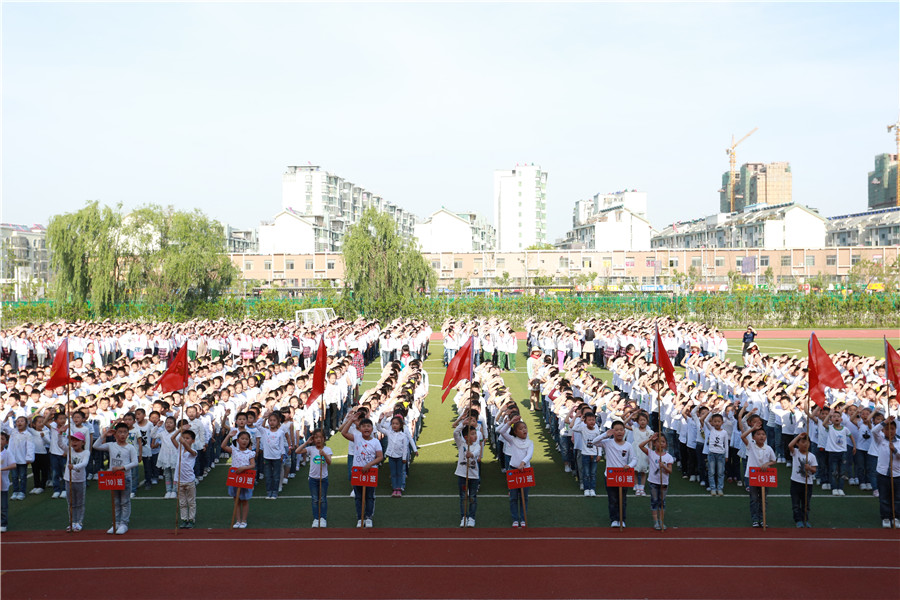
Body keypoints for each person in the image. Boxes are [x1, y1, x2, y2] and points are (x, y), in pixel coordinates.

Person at [93, 422, 139, 535]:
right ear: (115, 434)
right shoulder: (111, 445)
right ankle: (116, 522)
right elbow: (95, 446)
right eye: (120, 432)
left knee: (125, 501)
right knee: (116, 501)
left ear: (128, 434)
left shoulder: (130, 447)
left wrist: (122, 467)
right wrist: (104, 435)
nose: (122, 435)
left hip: (125, 477)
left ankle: (124, 523)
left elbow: (135, 462)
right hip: (113, 478)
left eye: (125, 432)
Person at [341, 412, 382, 528]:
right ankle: (360, 517)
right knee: (358, 497)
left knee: (370, 496)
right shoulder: (357, 437)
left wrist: (369, 465)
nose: (366, 428)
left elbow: (380, 456)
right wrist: (351, 420)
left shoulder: (375, 441)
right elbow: (343, 432)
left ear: (372, 428)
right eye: (363, 426)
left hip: (370, 472)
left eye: (368, 426)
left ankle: (368, 517)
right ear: (359, 428)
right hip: (358, 471)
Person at [497, 414, 534, 527]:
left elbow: (529, 454)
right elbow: (502, 432)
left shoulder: (530, 442)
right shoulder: (512, 440)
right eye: (521, 429)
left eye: (525, 428)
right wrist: (510, 422)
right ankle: (515, 519)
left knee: (524, 497)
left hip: (525, 471)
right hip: (513, 470)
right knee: (513, 497)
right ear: (516, 432)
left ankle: (523, 518)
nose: (524, 430)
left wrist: (523, 463)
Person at [599, 420, 637, 528]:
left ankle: (622, 519)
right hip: (610, 475)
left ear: (624, 431)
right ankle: (614, 519)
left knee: (622, 499)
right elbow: (594, 442)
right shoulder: (607, 443)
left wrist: (629, 466)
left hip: (624, 475)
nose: (619, 432)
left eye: (621, 430)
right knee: (612, 499)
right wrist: (605, 434)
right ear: (612, 431)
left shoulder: (628, 445)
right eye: (616, 430)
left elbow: (634, 459)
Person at [742, 422, 776, 528]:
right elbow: (743, 436)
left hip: (764, 476)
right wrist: (752, 428)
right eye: (758, 434)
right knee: (753, 498)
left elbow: (773, 460)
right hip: (752, 476)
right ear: (754, 437)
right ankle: (755, 519)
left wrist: (767, 464)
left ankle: (763, 518)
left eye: (763, 434)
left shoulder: (768, 448)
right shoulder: (751, 446)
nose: (761, 436)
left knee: (763, 499)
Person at [296, 429, 331, 528]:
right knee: (315, 499)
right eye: (316, 437)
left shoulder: (327, 450)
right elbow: (297, 451)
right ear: (313, 439)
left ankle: (323, 518)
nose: (318, 440)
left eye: (320, 437)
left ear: (324, 439)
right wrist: (307, 442)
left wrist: (324, 454)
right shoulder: (311, 449)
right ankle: (316, 518)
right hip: (312, 479)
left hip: (323, 478)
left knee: (323, 499)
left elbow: (329, 462)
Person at [639, 432, 673, 530]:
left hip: (664, 483)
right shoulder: (651, 453)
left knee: (662, 502)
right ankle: (656, 521)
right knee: (654, 501)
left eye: (663, 442)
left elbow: (670, 471)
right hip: (653, 482)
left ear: (666, 444)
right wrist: (650, 439)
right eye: (658, 441)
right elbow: (640, 446)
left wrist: (664, 467)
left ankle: (661, 520)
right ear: (654, 443)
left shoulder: (668, 457)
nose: (660, 443)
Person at [222, 429, 256, 528]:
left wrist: (244, 467)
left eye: (246, 439)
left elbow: (253, 465)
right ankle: (238, 520)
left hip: (245, 478)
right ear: (237, 440)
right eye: (242, 439)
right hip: (235, 478)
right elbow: (223, 446)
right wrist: (229, 436)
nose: (244, 441)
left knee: (245, 500)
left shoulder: (250, 453)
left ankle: (244, 520)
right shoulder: (234, 450)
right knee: (236, 500)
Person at [377, 414, 417, 497]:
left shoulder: (403, 436)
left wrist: (404, 458)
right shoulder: (389, 433)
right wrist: (382, 419)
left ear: (401, 425)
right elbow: (379, 428)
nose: (394, 425)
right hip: (391, 456)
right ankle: (394, 488)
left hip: (399, 458)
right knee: (393, 473)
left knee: (399, 473)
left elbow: (405, 448)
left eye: (397, 424)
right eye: (393, 424)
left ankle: (399, 488)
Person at [871, 416, 900, 528]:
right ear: (883, 430)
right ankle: (886, 517)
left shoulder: (899, 442)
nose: (890, 431)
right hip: (883, 474)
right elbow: (874, 430)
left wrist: (895, 450)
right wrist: (885, 422)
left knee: (897, 498)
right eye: (887, 429)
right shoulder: (881, 440)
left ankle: (896, 517)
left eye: (892, 429)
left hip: (897, 474)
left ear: (895, 430)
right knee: (884, 497)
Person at [61, 431, 90, 532]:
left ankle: (79, 522)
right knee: (71, 502)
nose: (74, 442)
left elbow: (84, 463)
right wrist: (60, 434)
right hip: (68, 480)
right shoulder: (69, 450)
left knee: (80, 502)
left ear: (83, 442)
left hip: (80, 480)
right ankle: (72, 522)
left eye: (77, 440)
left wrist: (74, 467)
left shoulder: (86, 452)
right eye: (72, 440)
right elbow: (60, 444)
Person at [787, 432, 817, 528]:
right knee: (796, 503)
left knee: (806, 503)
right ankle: (798, 520)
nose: (805, 444)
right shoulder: (795, 452)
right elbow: (789, 445)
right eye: (803, 442)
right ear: (798, 443)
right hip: (795, 482)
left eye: (807, 442)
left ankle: (805, 519)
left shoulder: (812, 456)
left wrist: (809, 468)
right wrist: (798, 437)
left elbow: (814, 470)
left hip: (808, 484)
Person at [454, 424, 481, 528]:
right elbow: (456, 432)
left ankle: (472, 518)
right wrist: (463, 423)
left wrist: (472, 454)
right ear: (466, 437)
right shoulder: (461, 443)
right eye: (473, 434)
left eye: (475, 434)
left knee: (472, 497)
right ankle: (463, 517)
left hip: (473, 476)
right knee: (463, 497)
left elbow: (476, 452)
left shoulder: (476, 445)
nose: (475, 436)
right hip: (462, 475)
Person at [172, 423, 197, 529]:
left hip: (189, 480)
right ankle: (184, 519)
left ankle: (191, 519)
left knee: (191, 501)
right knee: (182, 502)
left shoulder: (194, 452)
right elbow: (172, 438)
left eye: (188, 438)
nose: (185, 440)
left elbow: (190, 450)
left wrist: (183, 442)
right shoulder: (179, 449)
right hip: (179, 480)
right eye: (184, 438)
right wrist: (180, 430)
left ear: (193, 441)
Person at [824, 410, 855, 496]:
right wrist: (829, 415)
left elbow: (851, 436)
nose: (836, 418)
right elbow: (824, 424)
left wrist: (854, 446)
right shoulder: (830, 428)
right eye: (834, 417)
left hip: (843, 453)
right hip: (832, 452)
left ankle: (840, 488)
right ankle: (834, 488)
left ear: (841, 419)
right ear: (831, 420)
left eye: (838, 416)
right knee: (833, 471)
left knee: (842, 471)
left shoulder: (845, 429)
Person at [8, 416, 35, 500]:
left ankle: (22, 492)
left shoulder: (28, 435)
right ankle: (15, 491)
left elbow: (30, 446)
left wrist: (29, 458)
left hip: (23, 459)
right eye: (18, 421)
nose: (19, 423)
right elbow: (4, 427)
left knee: (23, 476)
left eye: (22, 421)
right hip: (13, 459)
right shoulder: (13, 432)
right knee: (14, 476)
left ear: (26, 424)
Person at [705, 413, 729, 496]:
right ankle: (713, 488)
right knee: (711, 472)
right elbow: (705, 421)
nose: (717, 423)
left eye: (719, 421)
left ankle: (720, 488)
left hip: (721, 454)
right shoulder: (711, 429)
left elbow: (726, 445)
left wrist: (726, 456)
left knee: (720, 472)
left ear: (722, 422)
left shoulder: (724, 432)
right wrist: (711, 412)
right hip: (712, 453)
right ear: (712, 422)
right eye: (715, 421)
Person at [154, 416, 179, 499]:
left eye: (171, 423)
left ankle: (174, 490)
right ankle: (168, 490)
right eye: (167, 422)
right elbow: (152, 435)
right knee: (167, 474)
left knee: (174, 474)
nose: (168, 424)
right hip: (165, 457)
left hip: (174, 457)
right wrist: (157, 426)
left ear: (175, 425)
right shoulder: (162, 433)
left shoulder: (177, 434)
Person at [1, 431, 15, 532]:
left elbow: (13, 465)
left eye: (2, 439)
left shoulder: (7, 452)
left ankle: (3, 523)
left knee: (3, 505)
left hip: (2, 483)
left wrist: (2, 469)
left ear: (6, 442)